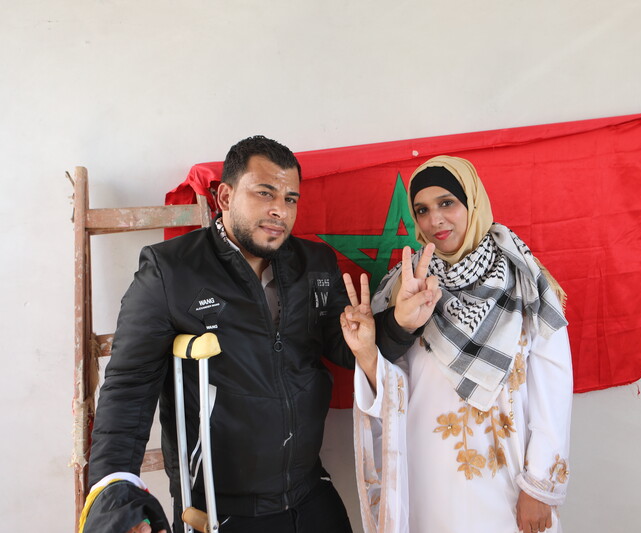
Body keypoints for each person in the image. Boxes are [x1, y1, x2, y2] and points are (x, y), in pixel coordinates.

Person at [85, 136, 439, 533]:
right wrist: (114, 493)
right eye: (265, 193)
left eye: (290, 198)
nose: (279, 210)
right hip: (220, 507)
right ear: (224, 196)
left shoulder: (315, 263)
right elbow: (128, 387)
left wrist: (401, 322)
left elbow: (347, 349)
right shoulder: (170, 271)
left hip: (308, 490)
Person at [339, 156, 573, 533]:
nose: (436, 220)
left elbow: (554, 389)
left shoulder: (526, 279)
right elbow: (397, 385)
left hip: (507, 481)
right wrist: (368, 352)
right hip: (428, 481)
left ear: (472, 203)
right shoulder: (404, 286)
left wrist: (540, 487)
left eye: (447, 203)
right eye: (422, 210)